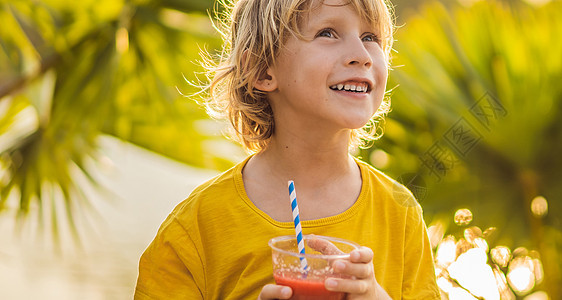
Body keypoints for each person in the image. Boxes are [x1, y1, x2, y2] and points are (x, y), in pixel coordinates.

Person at [134, 0, 440, 298]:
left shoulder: (400, 213)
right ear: (262, 70)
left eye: (370, 37)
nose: (362, 55)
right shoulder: (196, 228)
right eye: (328, 33)